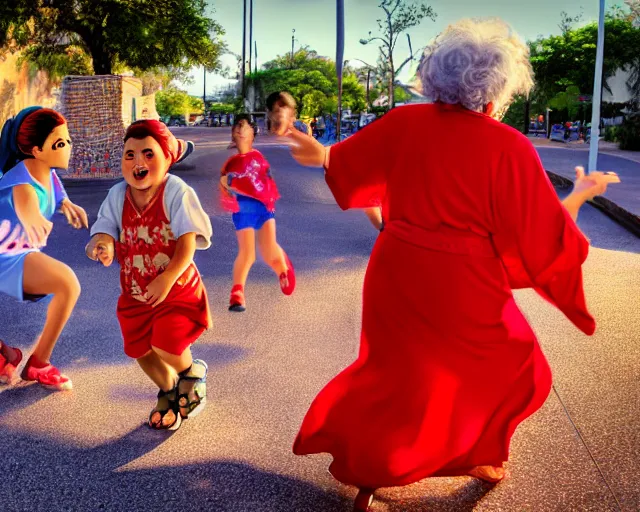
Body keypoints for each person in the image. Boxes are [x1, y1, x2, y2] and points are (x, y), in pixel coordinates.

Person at [285, 18, 621, 511]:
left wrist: (323, 155)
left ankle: (368, 477)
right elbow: (544, 234)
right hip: (465, 279)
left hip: (397, 269)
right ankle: (482, 454)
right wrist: (582, 194)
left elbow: (346, 169)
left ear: (436, 77)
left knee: (394, 372)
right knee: (515, 364)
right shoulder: (509, 146)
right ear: (495, 92)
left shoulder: (403, 122)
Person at [86, 120, 212, 431]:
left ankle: (191, 373)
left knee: (166, 343)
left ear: (167, 157)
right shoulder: (118, 194)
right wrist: (100, 243)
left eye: (147, 153)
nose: (138, 162)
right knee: (139, 348)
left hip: (175, 287)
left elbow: (187, 240)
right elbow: (105, 227)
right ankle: (168, 390)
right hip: (135, 292)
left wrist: (167, 277)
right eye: (129, 155)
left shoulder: (176, 192)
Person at [0, 107, 88, 390]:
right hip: (7, 256)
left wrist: (66, 204)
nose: (68, 149)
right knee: (67, 282)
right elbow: (24, 200)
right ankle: (7, 355)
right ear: (37, 150)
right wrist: (32, 218)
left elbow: (56, 191)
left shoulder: (48, 174)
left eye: (68, 140)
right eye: (60, 144)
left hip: (13, 254)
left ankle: (36, 363)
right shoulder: (19, 180)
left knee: (68, 284)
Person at [219, 114, 295, 312]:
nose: (240, 131)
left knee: (269, 248)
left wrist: (270, 201)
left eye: (245, 127)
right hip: (242, 209)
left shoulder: (259, 158)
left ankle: (283, 270)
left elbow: (267, 183)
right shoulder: (230, 163)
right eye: (237, 127)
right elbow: (224, 186)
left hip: (263, 207)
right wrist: (227, 190)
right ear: (233, 135)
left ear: (254, 133)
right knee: (247, 253)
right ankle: (237, 293)